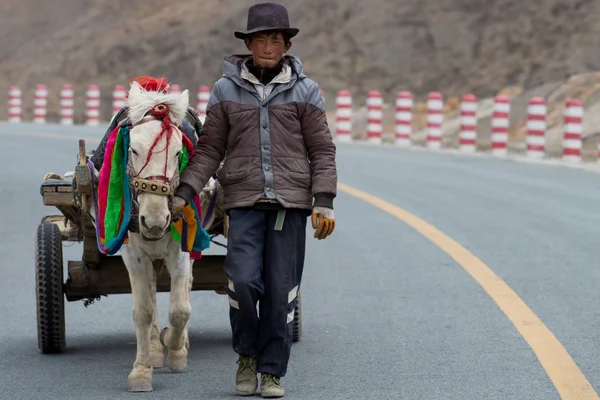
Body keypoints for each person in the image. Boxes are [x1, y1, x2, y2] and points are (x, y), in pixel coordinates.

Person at [170, 2, 337, 398]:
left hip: (290, 206)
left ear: (285, 45)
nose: (268, 45)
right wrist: (184, 193)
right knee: (243, 282)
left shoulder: (306, 90)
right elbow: (210, 148)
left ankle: (273, 372)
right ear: (248, 43)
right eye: (260, 38)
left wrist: (324, 200)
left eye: (275, 38)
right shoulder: (226, 89)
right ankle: (246, 357)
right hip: (243, 202)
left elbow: (322, 150)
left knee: (282, 292)